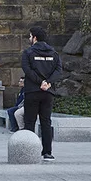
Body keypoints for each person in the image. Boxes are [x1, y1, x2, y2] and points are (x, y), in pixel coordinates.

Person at [20, 25, 60, 161]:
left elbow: (28, 70)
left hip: (32, 91)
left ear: (35, 38)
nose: (29, 38)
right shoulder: (54, 53)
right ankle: (47, 152)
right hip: (48, 92)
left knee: (29, 121)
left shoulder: (28, 53)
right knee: (46, 122)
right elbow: (58, 71)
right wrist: (47, 82)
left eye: (30, 36)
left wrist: (39, 82)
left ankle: (29, 151)